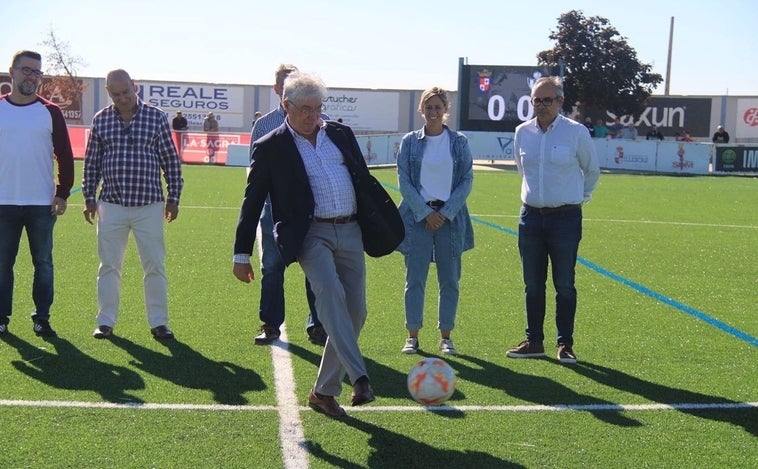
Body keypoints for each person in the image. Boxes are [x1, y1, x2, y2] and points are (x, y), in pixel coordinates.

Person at [233, 72, 377, 418]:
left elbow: (362, 178)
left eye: (318, 108)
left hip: (351, 230)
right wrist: (242, 253)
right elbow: (252, 200)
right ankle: (359, 376)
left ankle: (322, 393)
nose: (314, 116)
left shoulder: (340, 134)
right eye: (305, 109)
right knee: (329, 293)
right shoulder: (270, 146)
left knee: (356, 311)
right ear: (286, 106)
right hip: (310, 234)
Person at [82, 69, 184, 340]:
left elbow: (170, 161)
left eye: (126, 91)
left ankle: (159, 323)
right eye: (116, 94)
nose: (123, 97)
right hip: (111, 205)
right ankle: (105, 322)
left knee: (154, 265)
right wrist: (89, 198)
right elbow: (91, 162)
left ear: (134, 86)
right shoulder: (101, 120)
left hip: (148, 205)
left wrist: (174, 197)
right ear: (109, 93)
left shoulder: (157, 117)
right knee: (108, 266)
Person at [506, 76, 600, 364]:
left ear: (560, 102)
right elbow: (523, 170)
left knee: (564, 284)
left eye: (548, 100)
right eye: (537, 100)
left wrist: (575, 199)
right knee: (532, 284)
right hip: (530, 218)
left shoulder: (576, 132)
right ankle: (534, 341)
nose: (542, 105)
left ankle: (565, 344)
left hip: (565, 219)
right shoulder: (522, 132)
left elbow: (592, 171)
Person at [248, 64, 326, 346]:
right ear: (277, 90)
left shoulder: (322, 121)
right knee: (272, 268)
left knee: (316, 270)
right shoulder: (263, 125)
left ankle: (318, 325)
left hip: (314, 211)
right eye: (285, 84)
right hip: (274, 212)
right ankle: (270, 325)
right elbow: (255, 174)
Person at [0, 50, 75, 337]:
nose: (32, 77)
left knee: (43, 264)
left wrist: (62, 192)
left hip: (41, 204)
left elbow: (65, 156)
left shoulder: (50, 112)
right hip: (3, 203)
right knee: (2, 265)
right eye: (26, 70)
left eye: (37, 72)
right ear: (12, 72)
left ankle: (41, 318)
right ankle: (1, 318)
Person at [396, 87, 474, 356]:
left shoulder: (459, 142)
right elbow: (404, 181)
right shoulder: (410, 142)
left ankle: (446, 336)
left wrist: (447, 212)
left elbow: (466, 179)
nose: (433, 112)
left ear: (445, 110)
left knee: (449, 279)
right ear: (421, 109)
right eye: (428, 107)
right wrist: (424, 213)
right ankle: (413, 335)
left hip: (449, 220)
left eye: (438, 107)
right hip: (418, 219)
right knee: (415, 278)